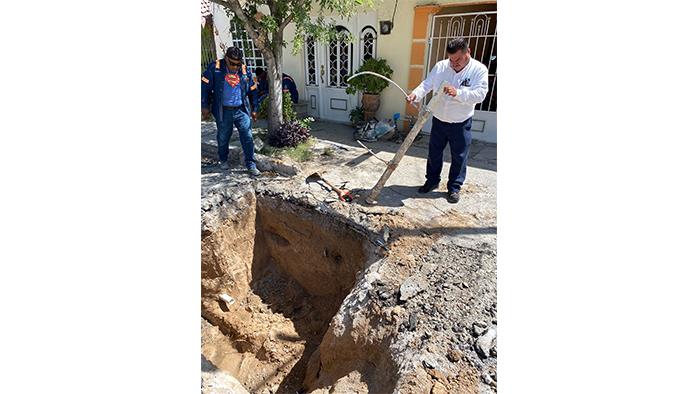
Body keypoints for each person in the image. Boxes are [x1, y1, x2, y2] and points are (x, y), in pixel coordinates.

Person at [407, 38, 489, 203]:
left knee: (459, 156)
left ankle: (454, 187)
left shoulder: (479, 70)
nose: (453, 64)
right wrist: (416, 94)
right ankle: (432, 181)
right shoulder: (441, 66)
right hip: (439, 119)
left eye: (457, 60)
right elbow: (427, 84)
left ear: (468, 52)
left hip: (461, 122)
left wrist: (458, 93)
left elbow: (480, 94)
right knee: (434, 153)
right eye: (451, 60)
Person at [201, 47, 260, 176]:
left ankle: (250, 163)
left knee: (248, 136)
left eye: (237, 64)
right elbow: (204, 87)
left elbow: (253, 89)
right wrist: (204, 105)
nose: (235, 67)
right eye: (232, 63)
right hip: (223, 111)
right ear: (226, 58)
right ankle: (223, 160)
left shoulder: (244, 71)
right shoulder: (215, 68)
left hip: (241, 110)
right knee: (223, 137)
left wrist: (255, 108)